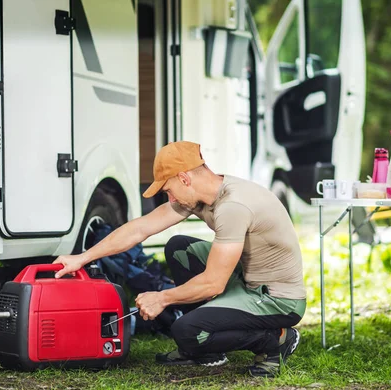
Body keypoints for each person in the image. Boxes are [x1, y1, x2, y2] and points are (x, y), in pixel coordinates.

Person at [53, 141, 306, 377]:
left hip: (277, 299)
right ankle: (207, 350)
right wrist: (82, 258)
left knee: (185, 330)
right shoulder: (201, 195)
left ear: (184, 178)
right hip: (248, 277)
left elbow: (213, 284)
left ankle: (275, 339)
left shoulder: (233, 206)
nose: (170, 198)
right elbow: (140, 229)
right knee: (179, 248)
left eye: (168, 190)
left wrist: (161, 298)